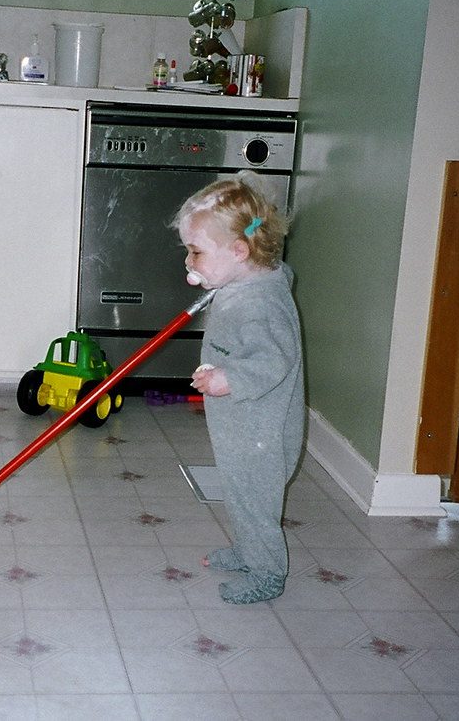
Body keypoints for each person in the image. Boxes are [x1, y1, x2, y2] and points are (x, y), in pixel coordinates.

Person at [174, 171, 305, 604]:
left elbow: (273, 360)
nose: (189, 262)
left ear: (239, 250)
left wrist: (227, 379)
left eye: (195, 251)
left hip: (260, 435)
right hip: (242, 426)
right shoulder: (243, 283)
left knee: (256, 504)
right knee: (239, 493)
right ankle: (248, 550)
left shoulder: (261, 302)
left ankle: (268, 573)